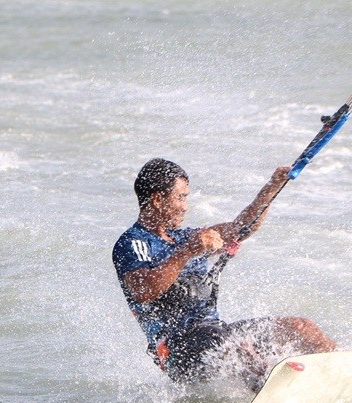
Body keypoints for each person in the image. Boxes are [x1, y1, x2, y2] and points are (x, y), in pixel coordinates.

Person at [112, 158, 336, 390]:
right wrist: (187, 252)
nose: (185, 206)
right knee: (236, 345)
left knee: (301, 328)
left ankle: (345, 367)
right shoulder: (133, 243)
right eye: (181, 197)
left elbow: (241, 228)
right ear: (158, 199)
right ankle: (272, 390)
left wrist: (272, 187)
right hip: (177, 350)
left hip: (216, 333)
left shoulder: (182, 237)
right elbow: (144, 291)